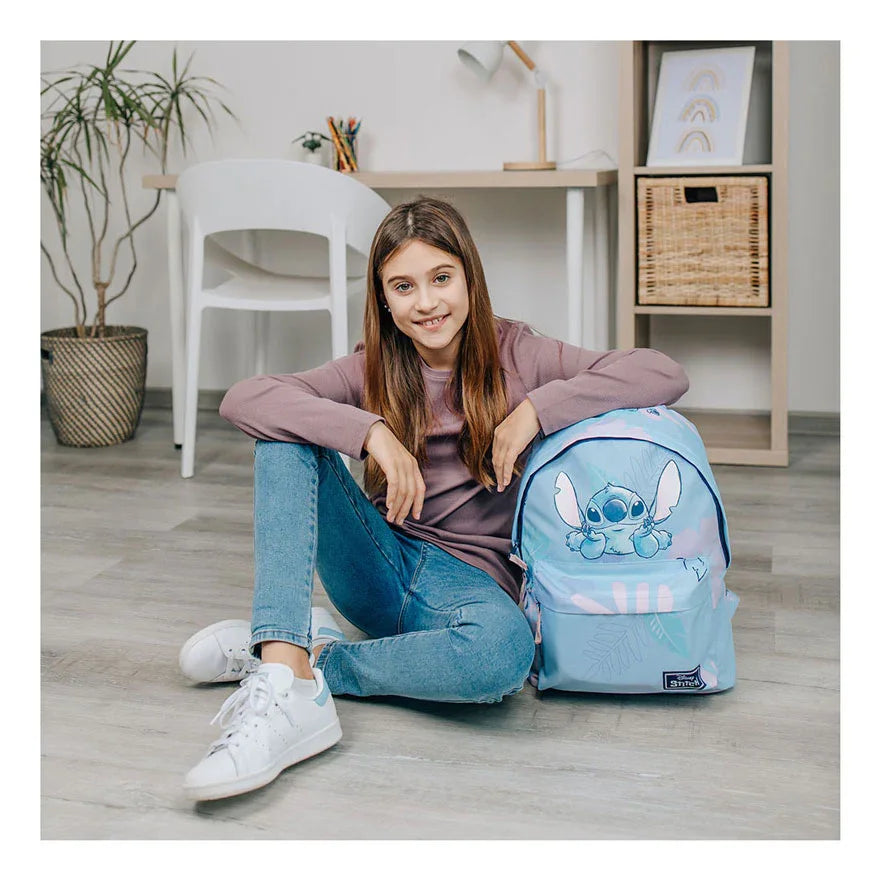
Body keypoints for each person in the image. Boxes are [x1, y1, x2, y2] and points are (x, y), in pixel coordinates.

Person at [179, 195, 689, 801]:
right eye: (403, 286)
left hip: (470, 588)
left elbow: (661, 370)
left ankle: (306, 657)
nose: (426, 303)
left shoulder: (520, 354)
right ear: (384, 299)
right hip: (379, 564)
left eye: (441, 278)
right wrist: (370, 434)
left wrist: (535, 411)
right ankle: (282, 679)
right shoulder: (372, 368)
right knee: (283, 438)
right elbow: (245, 398)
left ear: (469, 277)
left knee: (501, 658)